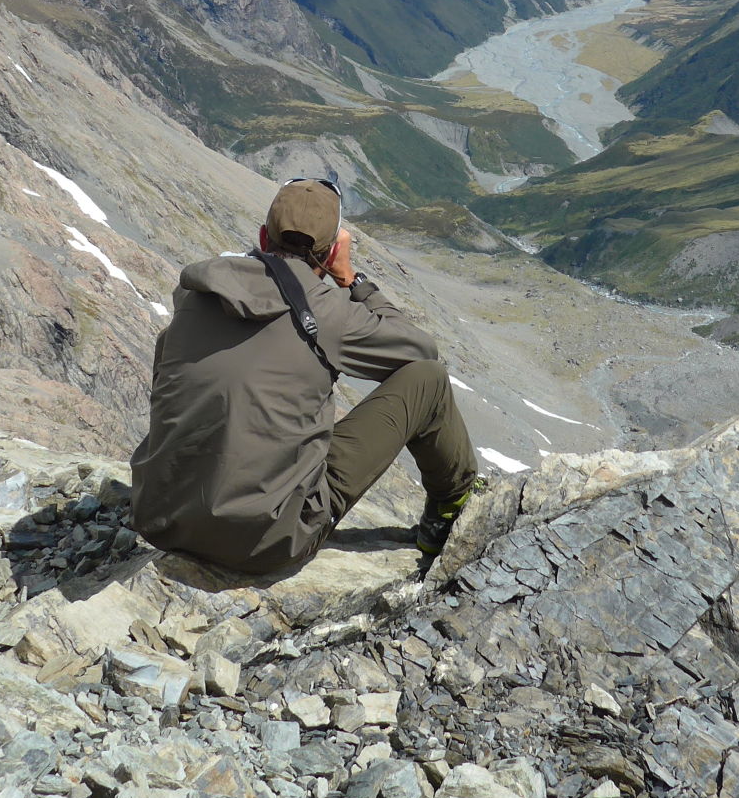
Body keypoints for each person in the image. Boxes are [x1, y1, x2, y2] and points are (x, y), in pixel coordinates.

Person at [129, 178, 480, 574]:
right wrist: (352, 281)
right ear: (331, 253)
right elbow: (420, 350)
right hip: (262, 543)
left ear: (263, 237)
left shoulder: (196, 294)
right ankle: (448, 510)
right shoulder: (329, 312)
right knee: (429, 380)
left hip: (159, 517)